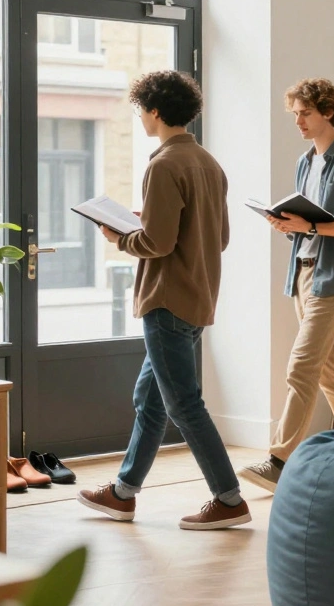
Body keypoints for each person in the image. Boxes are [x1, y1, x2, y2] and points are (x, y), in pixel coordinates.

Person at [78, 70, 248, 530]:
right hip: (197, 297)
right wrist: (148, 223)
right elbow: (220, 237)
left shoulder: (164, 164)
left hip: (167, 301)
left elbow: (157, 243)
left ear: (155, 111)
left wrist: (120, 236)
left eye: (140, 110)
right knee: (150, 399)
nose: (139, 118)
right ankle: (122, 493)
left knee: (183, 404)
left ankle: (229, 498)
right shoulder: (209, 164)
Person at [239, 78, 334, 492]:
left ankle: (279, 461)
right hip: (304, 271)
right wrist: (288, 225)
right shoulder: (305, 161)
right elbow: (308, 225)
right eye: (295, 114)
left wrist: (312, 224)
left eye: (305, 113)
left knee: (301, 366)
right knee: (331, 374)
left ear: (327, 112)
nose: (298, 121)